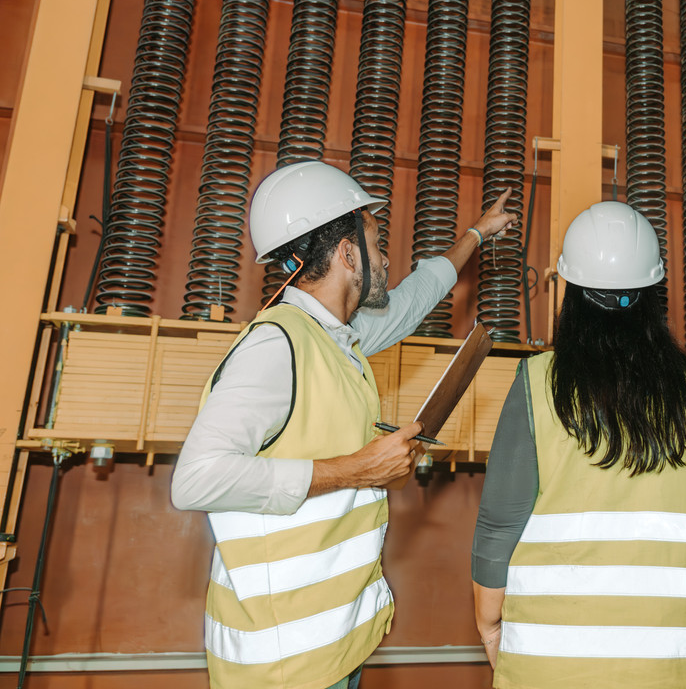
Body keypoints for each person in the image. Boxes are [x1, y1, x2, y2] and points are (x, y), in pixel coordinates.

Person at [171, 161, 516, 689]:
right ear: (349, 253)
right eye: (377, 243)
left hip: (329, 644)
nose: (385, 257)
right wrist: (357, 468)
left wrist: (475, 234)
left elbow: (412, 300)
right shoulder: (277, 345)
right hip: (283, 663)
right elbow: (195, 480)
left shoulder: (336, 339)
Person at [471, 201, 686, 689]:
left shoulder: (538, 383)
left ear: (569, 293)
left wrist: (489, 622)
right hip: (670, 663)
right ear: (654, 293)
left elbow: (499, 524)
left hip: (551, 664)